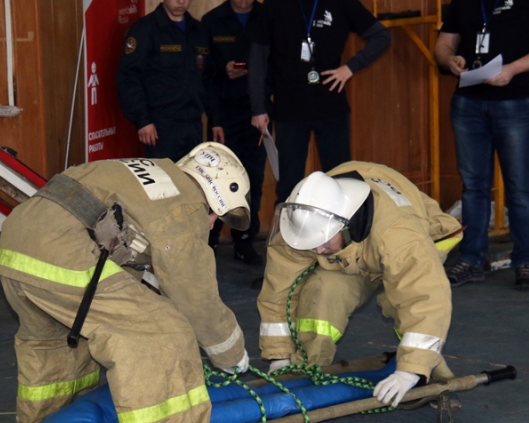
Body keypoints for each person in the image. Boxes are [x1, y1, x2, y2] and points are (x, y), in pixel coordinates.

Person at [0, 143, 251, 423]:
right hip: (64, 253)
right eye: (218, 219)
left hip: (18, 245)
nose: (213, 226)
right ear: (217, 195)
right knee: (162, 334)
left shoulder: (153, 174)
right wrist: (231, 352)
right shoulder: (186, 204)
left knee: (58, 347)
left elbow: (117, 241)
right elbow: (197, 299)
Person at [257, 163, 463, 407]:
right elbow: (277, 292)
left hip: (419, 242)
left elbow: (425, 299)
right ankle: (305, 372)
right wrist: (279, 356)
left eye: (322, 243)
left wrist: (411, 369)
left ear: (344, 225)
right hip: (355, 253)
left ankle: (436, 382)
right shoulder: (305, 220)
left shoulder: (400, 235)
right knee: (322, 289)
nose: (317, 251)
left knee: (404, 307)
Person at [435, 0, 529, 290]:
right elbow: (443, 45)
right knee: (473, 186)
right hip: (469, 102)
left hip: (516, 102)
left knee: (519, 187)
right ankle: (471, 258)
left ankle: (525, 261)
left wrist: (513, 69)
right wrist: (449, 60)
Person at [247, 0, 391, 205]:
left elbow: (382, 36)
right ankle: (287, 236)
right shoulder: (273, 5)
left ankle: (343, 235)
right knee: (289, 186)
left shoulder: (341, 4)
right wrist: (258, 107)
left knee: (341, 181)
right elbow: (257, 58)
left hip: (331, 105)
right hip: (289, 109)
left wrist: (351, 67)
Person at [202, 0, 268, 264]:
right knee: (217, 177)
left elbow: (279, 61)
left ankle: (245, 240)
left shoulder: (267, 16)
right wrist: (215, 117)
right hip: (223, 114)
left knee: (253, 177)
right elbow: (203, 73)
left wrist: (254, 73)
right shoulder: (212, 20)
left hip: (258, 112)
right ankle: (211, 238)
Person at [116, 0, 219, 161]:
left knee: (189, 182)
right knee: (164, 182)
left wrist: (215, 119)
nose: (181, 1)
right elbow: (129, 78)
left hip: (193, 125)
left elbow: (208, 79)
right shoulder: (145, 29)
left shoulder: (198, 31)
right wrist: (142, 121)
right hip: (159, 127)